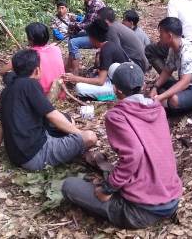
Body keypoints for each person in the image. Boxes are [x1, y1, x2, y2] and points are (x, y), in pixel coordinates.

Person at [62, 62, 182, 229]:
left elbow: (134, 154)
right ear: (142, 85)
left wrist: (107, 189)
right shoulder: (157, 109)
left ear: (116, 89)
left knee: (69, 186)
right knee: (104, 166)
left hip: (141, 210)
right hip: (171, 198)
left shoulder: (116, 116)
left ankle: (118, 199)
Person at [0, 49, 97, 169]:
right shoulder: (31, 84)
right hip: (36, 155)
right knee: (90, 137)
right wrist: (79, 134)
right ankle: (77, 150)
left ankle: (72, 146)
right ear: (37, 70)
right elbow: (52, 115)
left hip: (17, 157)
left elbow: (2, 126)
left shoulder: (7, 91)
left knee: (68, 120)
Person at [149, 17, 192, 114]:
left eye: (161, 33)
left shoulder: (188, 53)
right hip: (191, 85)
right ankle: (166, 102)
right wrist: (155, 87)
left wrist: (160, 97)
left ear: (169, 36)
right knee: (159, 85)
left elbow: (185, 82)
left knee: (174, 100)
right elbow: (167, 70)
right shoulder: (173, 48)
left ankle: (168, 104)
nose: (159, 36)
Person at [63, 19, 130, 101]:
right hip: (121, 80)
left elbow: (100, 81)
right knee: (92, 74)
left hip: (121, 90)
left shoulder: (106, 50)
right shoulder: (109, 45)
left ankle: (111, 98)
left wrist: (76, 78)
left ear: (93, 38)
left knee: (79, 88)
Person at [0, 23, 65, 95]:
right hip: (60, 91)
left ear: (31, 39)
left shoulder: (29, 54)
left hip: (40, 93)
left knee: (9, 75)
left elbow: (2, 71)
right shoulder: (56, 49)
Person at [66, 0, 106, 75]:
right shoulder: (88, 2)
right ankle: (70, 66)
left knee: (73, 42)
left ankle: (75, 74)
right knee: (72, 37)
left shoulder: (96, 4)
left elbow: (89, 24)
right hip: (92, 32)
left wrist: (73, 25)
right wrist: (75, 28)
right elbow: (86, 21)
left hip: (99, 37)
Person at [98, 7, 148, 72]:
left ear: (106, 20)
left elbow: (115, 52)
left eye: (99, 20)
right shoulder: (115, 25)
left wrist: (103, 68)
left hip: (137, 65)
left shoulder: (111, 29)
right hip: (138, 62)